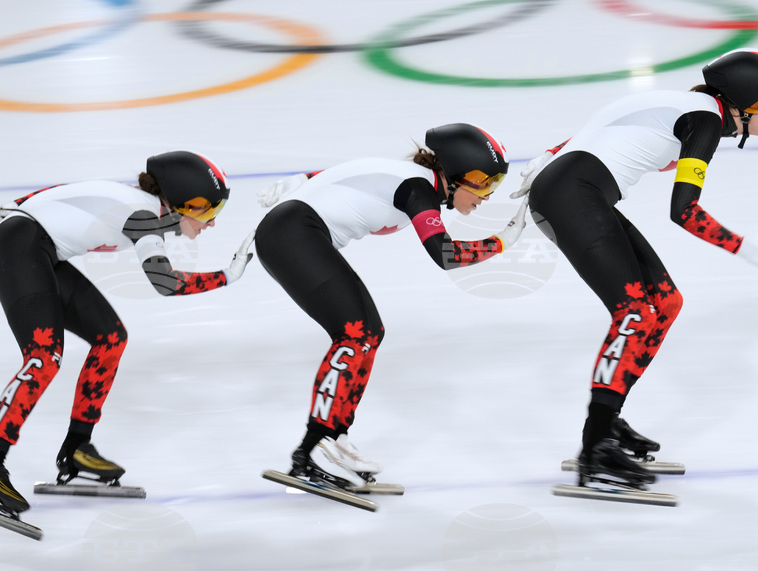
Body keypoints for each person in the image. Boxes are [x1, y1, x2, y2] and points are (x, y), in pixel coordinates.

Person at [512, 49, 758, 489]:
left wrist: (550, 155)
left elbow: (609, 119)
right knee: (634, 313)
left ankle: (607, 421)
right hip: (570, 195)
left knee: (664, 303)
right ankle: (596, 447)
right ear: (744, 103)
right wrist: (753, 252)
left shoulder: (691, 107)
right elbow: (684, 211)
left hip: (573, 191)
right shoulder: (705, 119)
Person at [254, 123, 527, 489]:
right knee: (356, 332)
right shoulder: (419, 187)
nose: (487, 195)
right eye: (482, 182)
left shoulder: (412, 177)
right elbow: (445, 254)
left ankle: (332, 437)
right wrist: (502, 241)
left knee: (368, 332)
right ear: (455, 172)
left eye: (494, 184)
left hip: (292, 233)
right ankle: (314, 446)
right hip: (291, 235)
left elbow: (356, 171)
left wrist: (303, 179)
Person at [0, 151, 254, 519]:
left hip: (35, 245)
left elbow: (43, 198)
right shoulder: (144, 214)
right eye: (206, 210)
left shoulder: (144, 207)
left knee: (111, 338)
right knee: (44, 356)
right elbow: (165, 282)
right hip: (18, 244)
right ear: (180, 201)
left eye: (216, 210)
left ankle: (77, 448)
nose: (211, 222)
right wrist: (228, 275)